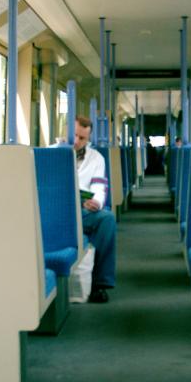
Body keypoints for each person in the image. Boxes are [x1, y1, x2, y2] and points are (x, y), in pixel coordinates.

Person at [73, 115, 116, 303]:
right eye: (74, 135)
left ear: (88, 138)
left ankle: (99, 283)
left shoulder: (96, 158)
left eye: (82, 138)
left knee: (106, 219)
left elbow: (99, 187)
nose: (77, 141)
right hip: (56, 210)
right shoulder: (50, 153)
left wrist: (96, 202)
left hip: (83, 209)